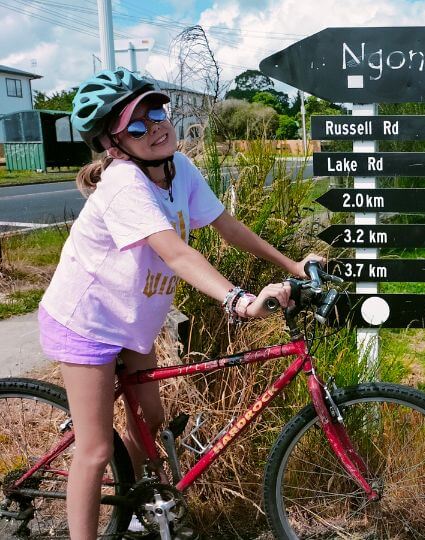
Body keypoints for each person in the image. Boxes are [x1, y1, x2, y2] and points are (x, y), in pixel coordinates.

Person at [38, 67, 321, 540]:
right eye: (136, 123)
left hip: (133, 321)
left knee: (150, 420)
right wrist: (240, 301)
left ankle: (132, 503)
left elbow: (227, 227)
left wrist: (294, 266)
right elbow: (176, 252)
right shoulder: (124, 184)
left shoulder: (177, 168)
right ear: (113, 144)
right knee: (94, 448)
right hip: (87, 322)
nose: (155, 125)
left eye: (156, 111)